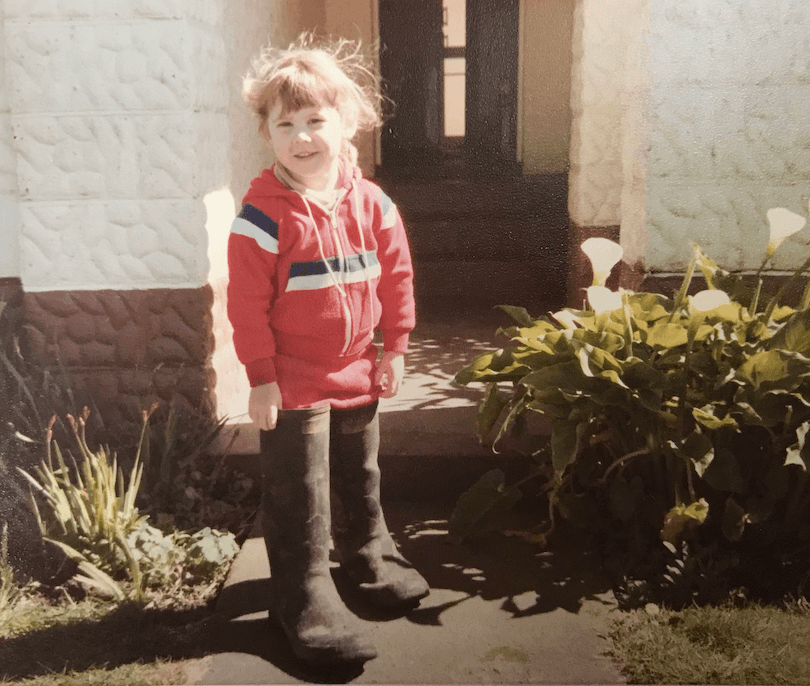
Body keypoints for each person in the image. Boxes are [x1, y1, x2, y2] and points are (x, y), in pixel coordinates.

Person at [227, 33, 429, 666]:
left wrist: (392, 349)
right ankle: (303, 592)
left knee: (359, 474)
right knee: (300, 489)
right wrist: (261, 378)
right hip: (291, 380)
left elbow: (396, 276)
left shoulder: (373, 203)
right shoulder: (262, 214)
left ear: (349, 125)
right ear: (267, 133)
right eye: (285, 123)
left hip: (357, 368)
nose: (303, 136)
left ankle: (368, 557)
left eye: (317, 120)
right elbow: (246, 305)